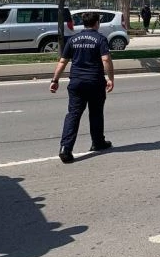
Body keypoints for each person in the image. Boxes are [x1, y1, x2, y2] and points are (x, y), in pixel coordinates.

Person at [49, 11, 114, 163]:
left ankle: (65, 149)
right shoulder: (100, 39)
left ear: (84, 23)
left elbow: (62, 61)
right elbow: (106, 59)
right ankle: (97, 142)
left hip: (76, 83)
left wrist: (55, 80)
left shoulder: (73, 39)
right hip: (95, 82)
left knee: (73, 114)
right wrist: (110, 78)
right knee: (96, 113)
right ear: (96, 23)